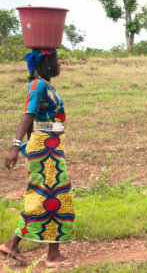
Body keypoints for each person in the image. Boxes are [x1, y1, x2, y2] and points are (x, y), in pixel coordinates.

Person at [0, 49, 77, 268]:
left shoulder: (45, 85)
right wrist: (16, 147)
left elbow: (36, 119)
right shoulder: (38, 85)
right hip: (45, 149)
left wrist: (30, 146)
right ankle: (52, 256)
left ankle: (11, 244)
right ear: (45, 62)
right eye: (55, 60)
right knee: (57, 197)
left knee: (46, 196)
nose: (59, 63)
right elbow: (28, 114)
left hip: (48, 147)